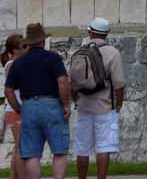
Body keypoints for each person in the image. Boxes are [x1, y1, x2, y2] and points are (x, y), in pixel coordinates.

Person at [4, 22, 71, 179]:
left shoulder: (18, 62)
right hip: (51, 104)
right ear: (42, 40)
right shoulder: (53, 58)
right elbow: (62, 81)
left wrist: (19, 108)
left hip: (28, 106)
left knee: (32, 154)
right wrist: (66, 104)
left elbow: (8, 90)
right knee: (59, 151)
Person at [72, 18, 126, 179]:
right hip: (104, 106)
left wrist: (76, 101)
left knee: (82, 148)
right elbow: (119, 84)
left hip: (83, 107)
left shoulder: (79, 52)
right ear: (106, 34)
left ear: (90, 33)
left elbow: (71, 82)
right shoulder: (112, 53)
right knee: (103, 147)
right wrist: (118, 104)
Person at [3, 35, 26, 179]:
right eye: (23, 46)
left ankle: (14, 176)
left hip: (16, 108)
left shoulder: (16, 63)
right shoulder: (11, 64)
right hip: (15, 109)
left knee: (18, 146)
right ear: (15, 49)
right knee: (20, 147)